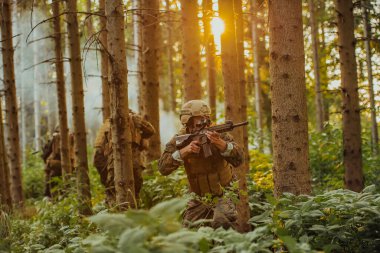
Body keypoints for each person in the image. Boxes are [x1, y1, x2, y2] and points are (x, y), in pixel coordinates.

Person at [158, 100, 243, 229]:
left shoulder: (219, 133)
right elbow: (163, 168)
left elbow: (239, 159)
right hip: (199, 197)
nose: (192, 124)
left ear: (206, 118)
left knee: (221, 223)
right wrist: (184, 151)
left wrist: (221, 144)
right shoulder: (181, 138)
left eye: (195, 120)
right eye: (189, 121)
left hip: (225, 193)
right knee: (188, 232)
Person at [93, 110, 156, 206]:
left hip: (116, 162)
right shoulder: (112, 123)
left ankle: (116, 211)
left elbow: (97, 155)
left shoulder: (108, 122)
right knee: (123, 191)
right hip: (120, 162)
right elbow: (151, 131)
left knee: (117, 191)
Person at [41, 126, 74, 197]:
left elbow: (45, 154)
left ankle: (49, 198)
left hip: (55, 165)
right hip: (71, 166)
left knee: (49, 178)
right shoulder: (71, 137)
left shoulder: (54, 138)